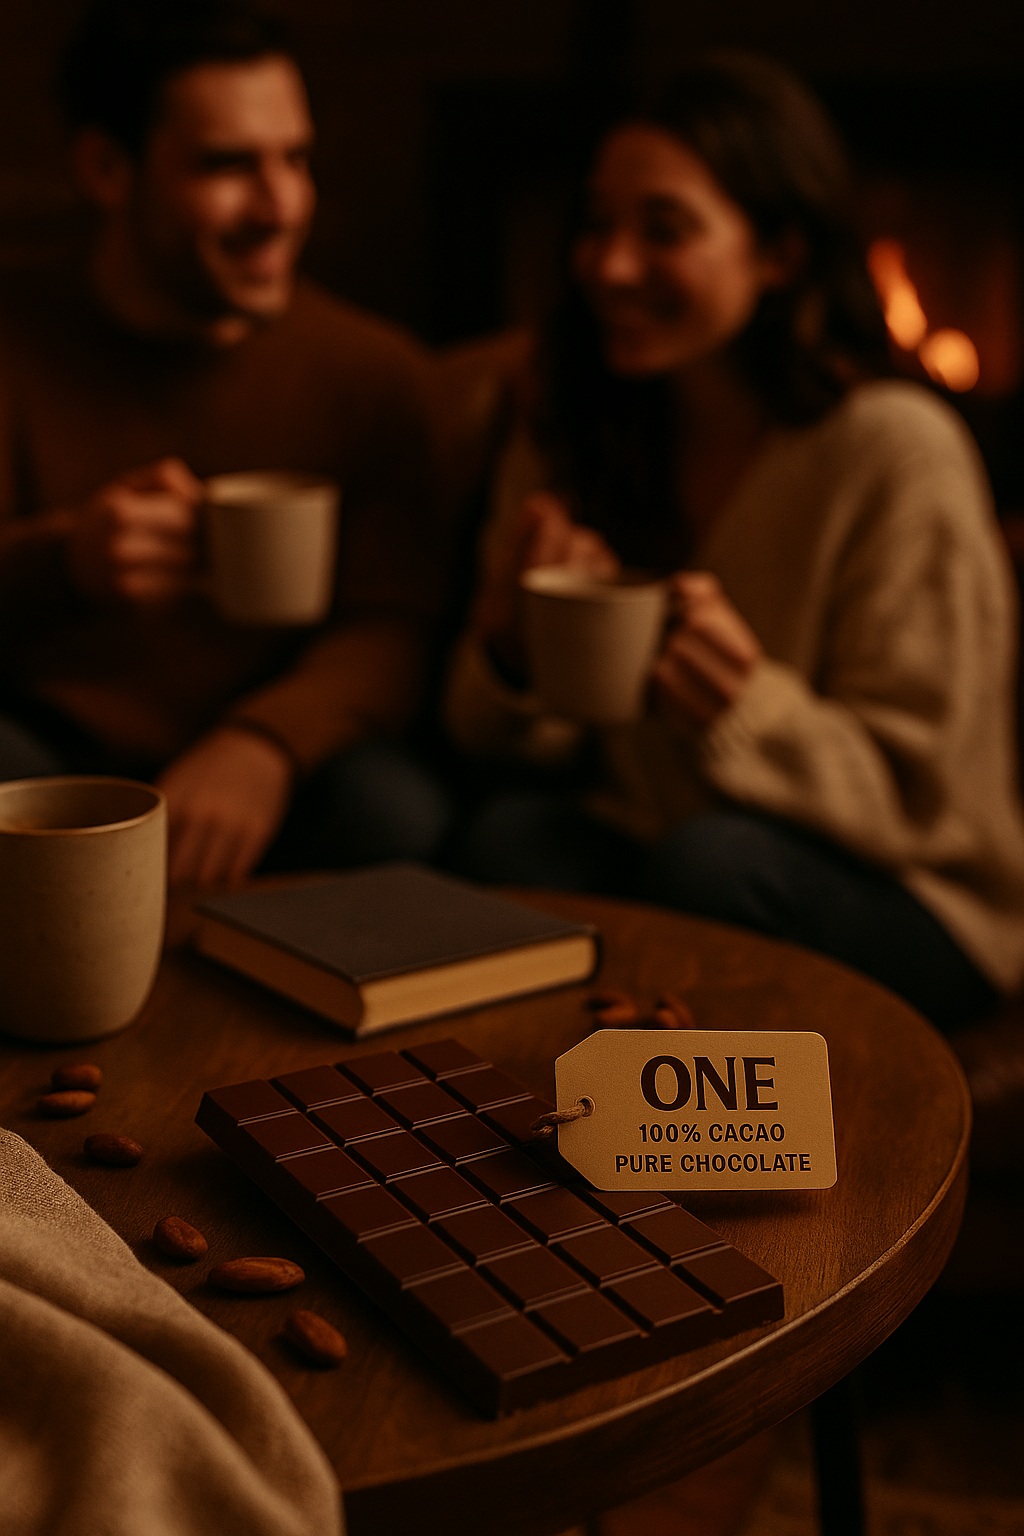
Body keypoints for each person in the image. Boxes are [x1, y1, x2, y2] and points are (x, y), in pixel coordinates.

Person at [444, 52, 1024, 1032]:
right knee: (503, 844)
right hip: (658, 836)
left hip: (913, 892)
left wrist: (745, 706)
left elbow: (923, 804)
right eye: (595, 224)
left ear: (779, 253)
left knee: (709, 864)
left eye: (662, 231)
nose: (610, 266)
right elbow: (496, 741)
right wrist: (510, 649)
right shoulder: (569, 431)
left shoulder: (891, 450)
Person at [0, 0, 450, 885]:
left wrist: (264, 742)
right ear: (105, 166)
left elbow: (397, 623)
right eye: (226, 166)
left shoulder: (375, 372)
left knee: (395, 811)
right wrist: (68, 562)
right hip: (48, 743)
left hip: (279, 744)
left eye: (295, 158)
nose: (279, 205)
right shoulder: (15, 342)